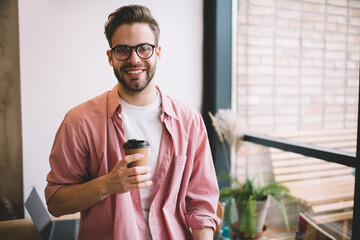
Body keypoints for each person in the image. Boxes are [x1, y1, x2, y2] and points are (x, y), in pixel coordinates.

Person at [45, 4, 220, 240]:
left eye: (144, 49)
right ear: (110, 57)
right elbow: (56, 202)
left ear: (158, 52)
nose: (134, 59)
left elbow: (202, 205)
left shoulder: (189, 122)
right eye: (123, 50)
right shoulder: (79, 121)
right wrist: (107, 184)